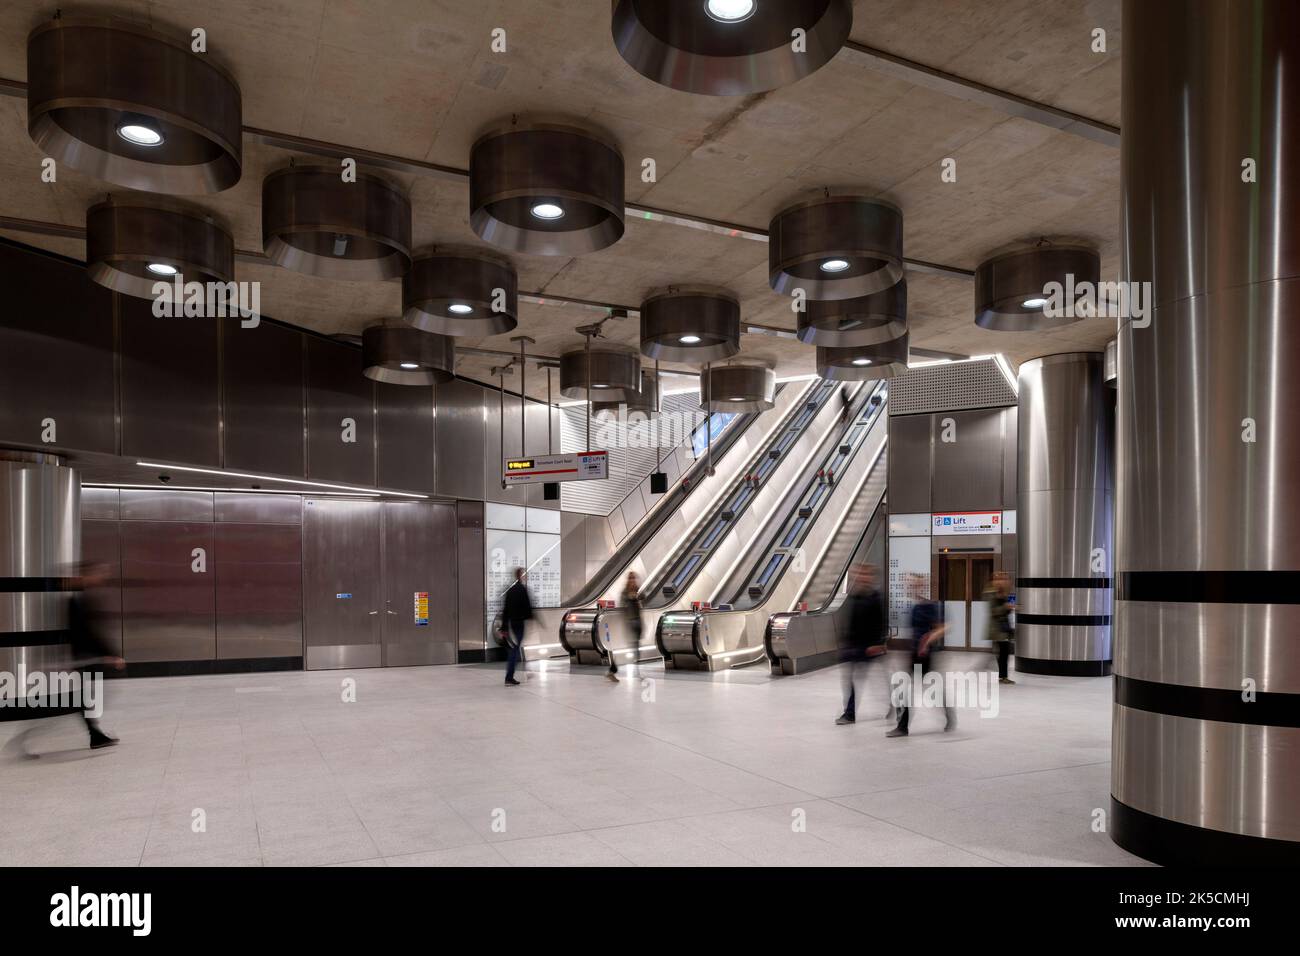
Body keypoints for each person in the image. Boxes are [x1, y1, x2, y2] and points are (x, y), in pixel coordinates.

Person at [3, 562, 123, 758]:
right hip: (72, 661)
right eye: (98, 573)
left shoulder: (78, 597)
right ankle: (23, 739)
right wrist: (108, 654)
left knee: (77, 700)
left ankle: (95, 735)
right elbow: (85, 633)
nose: (101, 577)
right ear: (85, 575)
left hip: (76, 660)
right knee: (62, 705)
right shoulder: (74, 599)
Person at [887, 575, 954, 737]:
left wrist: (928, 640)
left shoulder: (931, 606)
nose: (910, 587)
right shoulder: (915, 607)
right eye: (909, 584)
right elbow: (913, 633)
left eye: (913, 584)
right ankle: (902, 726)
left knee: (932, 690)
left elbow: (944, 628)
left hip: (925, 654)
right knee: (903, 688)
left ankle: (948, 715)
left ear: (922, 586)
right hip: (913, 652)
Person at [835, 563, 886, 724]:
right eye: (860, 574)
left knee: (878, 681)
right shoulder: (854, 596)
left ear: (871, 578)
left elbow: (881, 623)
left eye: (865, 574)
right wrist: (845, 641)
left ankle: (893, 703)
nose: (862, 577)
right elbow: (850, 621)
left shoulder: (876, 598)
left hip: (871, 647)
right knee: (851, 679)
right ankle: (849, 714)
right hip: (854, 646)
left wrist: (879, 643)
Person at [501, 568, 534, 687]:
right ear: (521, 576)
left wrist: (504, 627)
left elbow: (505, 610)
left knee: (516, 648)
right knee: (515, 649)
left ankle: (519, 673)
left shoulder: (510, 591)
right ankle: (509, 677)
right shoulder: (522, 590)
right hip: (519, 622)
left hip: (511, 623)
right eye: (524, 574)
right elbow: (528, 607)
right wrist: (531, 618)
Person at [608, 571, 642, 683]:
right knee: (625, 651)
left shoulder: (637, 590)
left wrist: (637, 597)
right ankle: (611, 671)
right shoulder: (625, 592)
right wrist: (629, 599)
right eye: (630, 578)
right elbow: (622, 606)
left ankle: (637, 673)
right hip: (629, 624)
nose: (632, 580)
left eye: (634, 578)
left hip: (637, 623)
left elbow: (643, 600)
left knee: (636, 650)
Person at [985, 571, 1015, 684]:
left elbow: (1003, 611)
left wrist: (1009, 608)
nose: (1005, 581)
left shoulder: (1002, 593)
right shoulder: (991, 593)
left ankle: (1003, 676)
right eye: (1002, 578)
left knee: (1004, 652)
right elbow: (994, 611)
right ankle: (1003, 676)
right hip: (997, 628)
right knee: (1003, 652)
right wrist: (1006, 607)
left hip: (1004, 627)